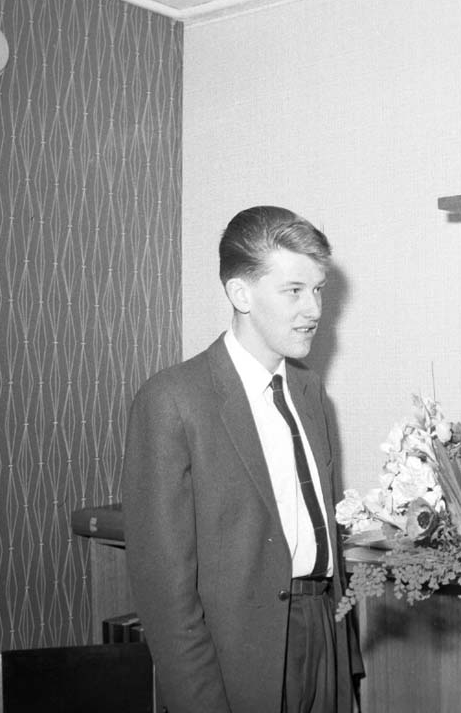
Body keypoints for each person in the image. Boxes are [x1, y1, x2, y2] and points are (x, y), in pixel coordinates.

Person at [122, 206, 362, 713]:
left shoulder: (311, 392)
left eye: (318, 290)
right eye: (293, 290)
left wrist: (344, 666)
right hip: (239, 660)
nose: (313, 309)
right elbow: (165, 594)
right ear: (240, 294)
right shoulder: (172, 400)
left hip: (323, 635)